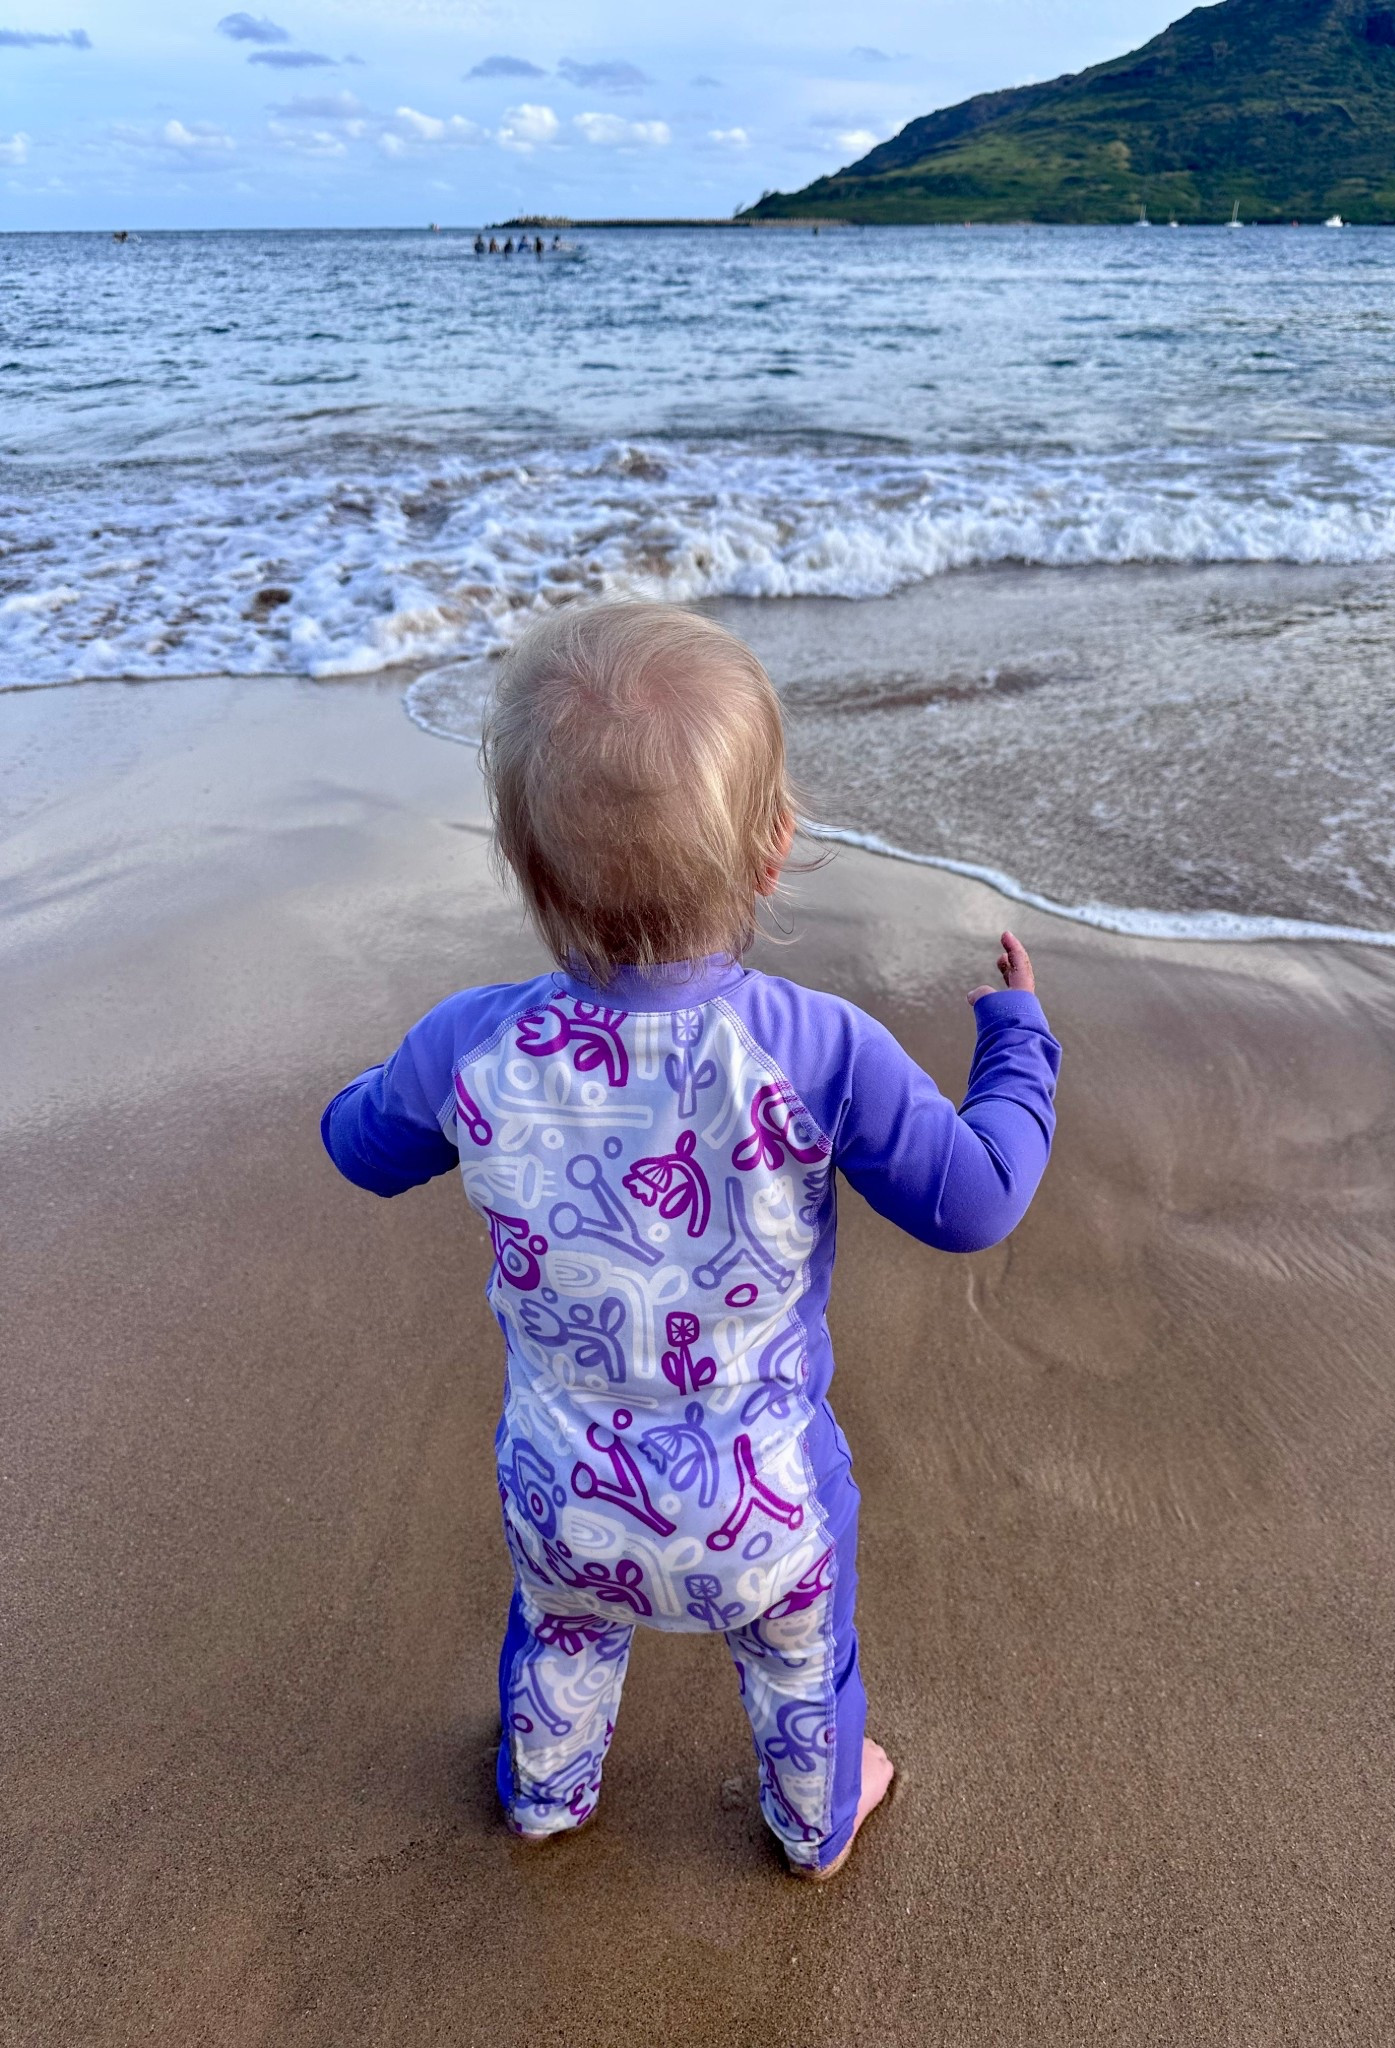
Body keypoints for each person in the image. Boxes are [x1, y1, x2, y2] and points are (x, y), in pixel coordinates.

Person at [320, 604, 1060, 1880]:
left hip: (565, 1497)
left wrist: (382, 1087)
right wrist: (1018, 1042)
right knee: (801, 1658)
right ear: (776, 847)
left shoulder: (473, 1043)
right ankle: (817, 1817)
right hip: (763, 1512)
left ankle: (547, 1792)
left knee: (562, 1634)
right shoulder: (818, 1049)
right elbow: (979, 1196)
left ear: (526, 867)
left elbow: (361, 1146)